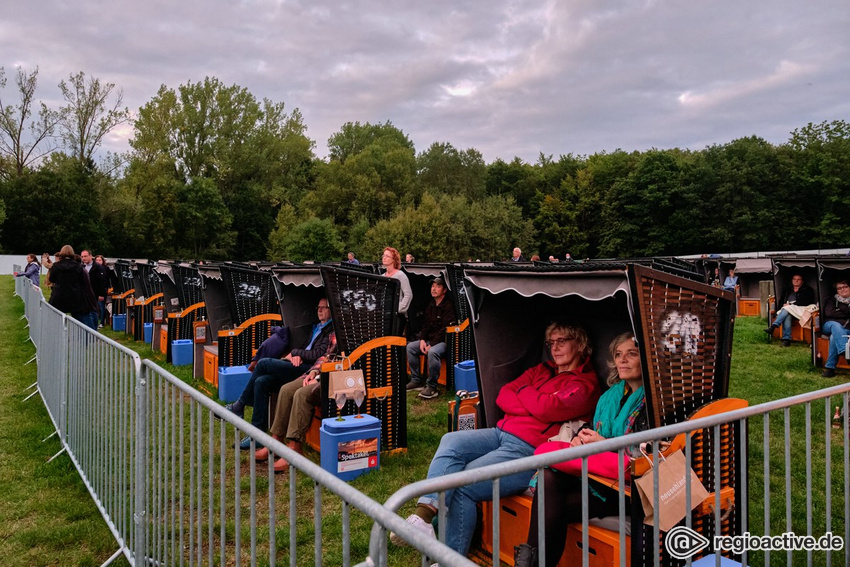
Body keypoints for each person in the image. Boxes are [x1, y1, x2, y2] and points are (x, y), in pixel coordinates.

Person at [390, 321, 600, 557]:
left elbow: (547, 408)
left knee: (463, 484)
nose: (555, 348)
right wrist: (536, 400)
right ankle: (424, 515)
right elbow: (504, 395)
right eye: (551, 343)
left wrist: (526, 394)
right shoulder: (543, 369)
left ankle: (447, 558)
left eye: (562, 341)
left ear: (580, 344)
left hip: (528, 449)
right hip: (501, 432)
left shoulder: (585, 383)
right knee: (451, 440)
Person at [515, 333, 648, 567]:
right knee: (547, 478)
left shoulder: (652, 402)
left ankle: (529, 563)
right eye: (618, 355)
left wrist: (603, 445)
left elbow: (642, 453)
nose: (623, 360)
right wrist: (579, 439)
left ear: (645, 359)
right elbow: (590, 427)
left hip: (625, 488)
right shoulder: (611, 396)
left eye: (632, 354)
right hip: (596, 475)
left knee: (553, 507)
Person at [226, 298, 334, 448]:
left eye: (325, 308)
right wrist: (296, 355)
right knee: (261, 382)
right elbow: (307, 348)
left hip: (308, 369)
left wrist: (296, 353)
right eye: (319, 307)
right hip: (299, 363)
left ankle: (240, 404)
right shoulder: (315, 328)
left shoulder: (331, 331)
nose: (320, 310)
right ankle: (257, 434)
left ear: (332, 310)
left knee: (263, 363)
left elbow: (319, 354)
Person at [255, 331, 338, 472]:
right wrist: (314, 372)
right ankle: (276, 442)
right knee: (286, 389)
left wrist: (321, 376)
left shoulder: (358, 331)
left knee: (301, 394)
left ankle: (295, 449)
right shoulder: (334, 333)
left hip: (338, 378)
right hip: (321, 373)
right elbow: (325, 356)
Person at [405, 276, 456, 399]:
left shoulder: (448, 306)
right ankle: (416, 380)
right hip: (430, 341)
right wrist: (422, 340)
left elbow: (444, 330)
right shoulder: (431, 305)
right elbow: (425, 325)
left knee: (432, 352)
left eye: (438, 286)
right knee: (411, 347)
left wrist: (431, 344)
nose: (434, 289)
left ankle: (432, 386)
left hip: (444, 342)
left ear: (444, 290)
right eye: (433, 286)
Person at [47, 245, 98, 330]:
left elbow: (52, 279)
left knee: (55, 320)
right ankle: (89, 337)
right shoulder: (79, 266)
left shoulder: (56, 266)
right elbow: (84, 282)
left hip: (59, 296)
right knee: (82, 320)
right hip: (76, 297)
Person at [764, 274, 816, 346]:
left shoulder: (808, 290)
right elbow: (781, 301)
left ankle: (774, 327)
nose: (796, 281)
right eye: (794, 279)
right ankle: (786, 340)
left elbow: (806, 302)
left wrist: (792, 305)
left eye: (798, 279)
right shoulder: (787, 290)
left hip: (801, 309)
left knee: (787, 308)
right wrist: (779, 309)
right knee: (787, 312)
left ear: (802, 281)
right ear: (792, 280)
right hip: (787, 309)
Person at [821, 280, 850, 378]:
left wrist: (839, 311)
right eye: (839, 288)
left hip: (846, 328)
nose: (842, 289)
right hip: (829, 324)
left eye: (845, 287)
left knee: (835, 336)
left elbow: (835, 313)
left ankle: (830, 368)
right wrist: (846, 312)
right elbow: (829, 313)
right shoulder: (832, 300)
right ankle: (844, 350)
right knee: (835, 326)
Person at [381, 247, 411, 334]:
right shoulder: (382, 276)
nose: (384, 258)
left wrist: (398, 309)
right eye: (383, 255)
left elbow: (408, 295)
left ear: (394, 259)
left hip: (397, 317)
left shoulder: (400, 275)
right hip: (385, 316)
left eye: (387, 256)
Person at [81, 250, 110, 329]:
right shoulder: (81, 267)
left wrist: (101, 294)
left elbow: (103, 281)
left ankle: (94, 328)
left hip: (95, 293)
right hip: (84, 293)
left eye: (85, 256)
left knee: (94, 311)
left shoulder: (98, 267)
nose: (83, 258)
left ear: (90, 256)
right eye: (82, 257)